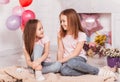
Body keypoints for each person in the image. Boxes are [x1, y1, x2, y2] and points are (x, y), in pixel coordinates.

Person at [57, 8, 117, 80]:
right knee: (64, 71)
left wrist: (61, 61)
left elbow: (75, 53)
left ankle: (98, 71)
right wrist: (59, 62)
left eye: (64, 21)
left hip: (78, 58)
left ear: (72, 21)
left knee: (72, 62)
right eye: (61, 21)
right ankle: (88, 71)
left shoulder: (81, 35)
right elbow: (60, 50)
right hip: (65, 60)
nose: (61, 23)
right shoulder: (60, 34)